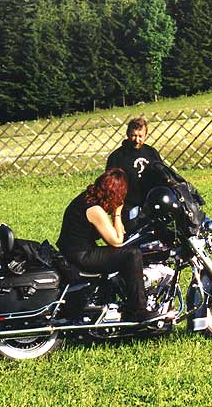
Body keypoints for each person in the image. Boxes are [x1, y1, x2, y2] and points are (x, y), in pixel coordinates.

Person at [56, 168, 160, 323]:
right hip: (81, 255)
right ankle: (138, 310)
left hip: (74, 251)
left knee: (125, 252)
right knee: (132, 255)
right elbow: (117, 241)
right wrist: (117, 212)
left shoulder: (87, 198)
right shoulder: (94, 210)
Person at [106, 117, 163, 232]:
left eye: (140, 136)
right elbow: (112, 190)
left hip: (152, 205)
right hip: (129, 208)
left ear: (146, 135)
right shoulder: (117, 157)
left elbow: (162, 177)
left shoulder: (152, 153)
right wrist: (116, 218)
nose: (137, 140)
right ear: (127, 134)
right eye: (133, 135)